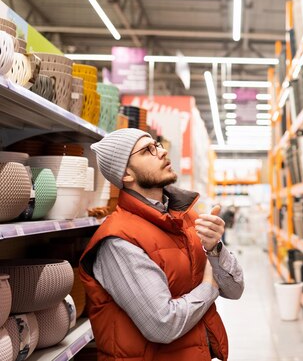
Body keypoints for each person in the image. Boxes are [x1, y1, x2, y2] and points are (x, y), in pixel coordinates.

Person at [79, 128, 244, 361]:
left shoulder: (186, 218)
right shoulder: (118, 240)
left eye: (157, 145)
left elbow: (235, 290)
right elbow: (162, 325)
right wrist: (209, 284)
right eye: (148, 150)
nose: (163, 152)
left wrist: (216, 248)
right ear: (126, 174)